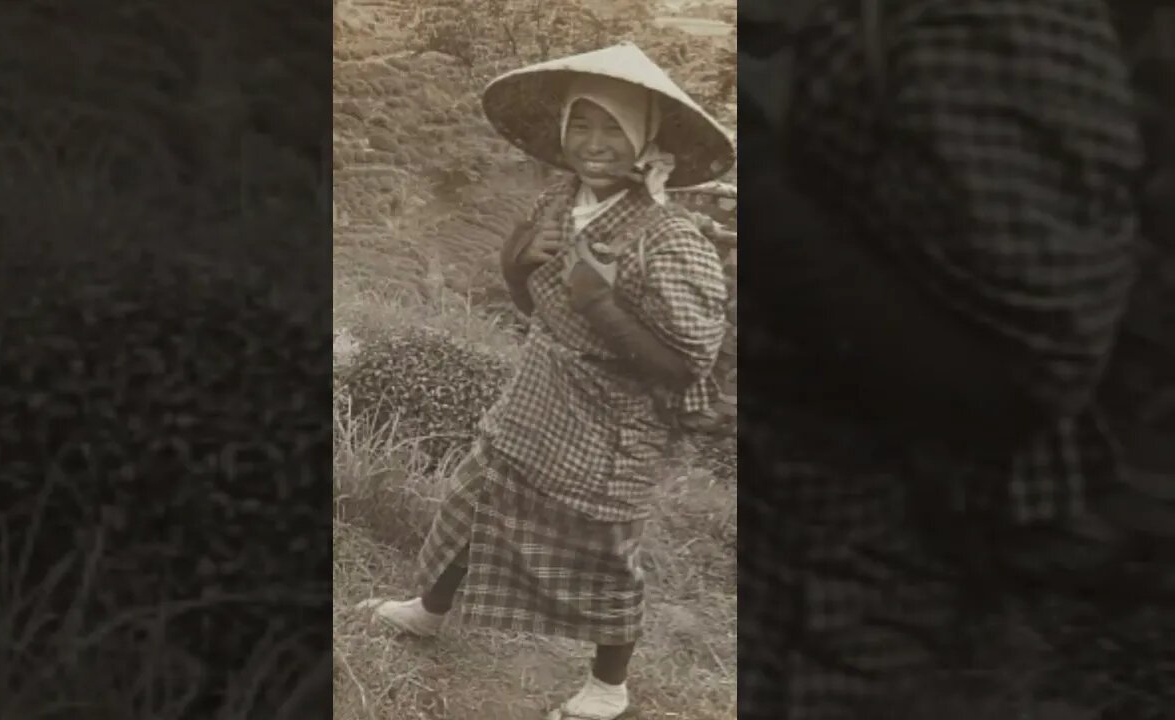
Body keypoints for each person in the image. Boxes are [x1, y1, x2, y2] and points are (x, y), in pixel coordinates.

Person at [736, 0, 1145, 717]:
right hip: (781, 564)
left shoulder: (994, 21)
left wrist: (759, 191)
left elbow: (1020, 374)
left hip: (860, 602)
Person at [358, 42, 735, 720]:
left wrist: (601, 302)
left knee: (605, 552)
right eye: (580, 126)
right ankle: (429, 612)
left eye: (613, 128)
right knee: (476, 498)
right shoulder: (562, 197)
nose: (594, 144)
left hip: (616, 421)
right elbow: (540, 307)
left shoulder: (671, 237)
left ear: (646, 138)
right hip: (538, 390)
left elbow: (686, 367)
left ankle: (608, 688)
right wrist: (513, 267)